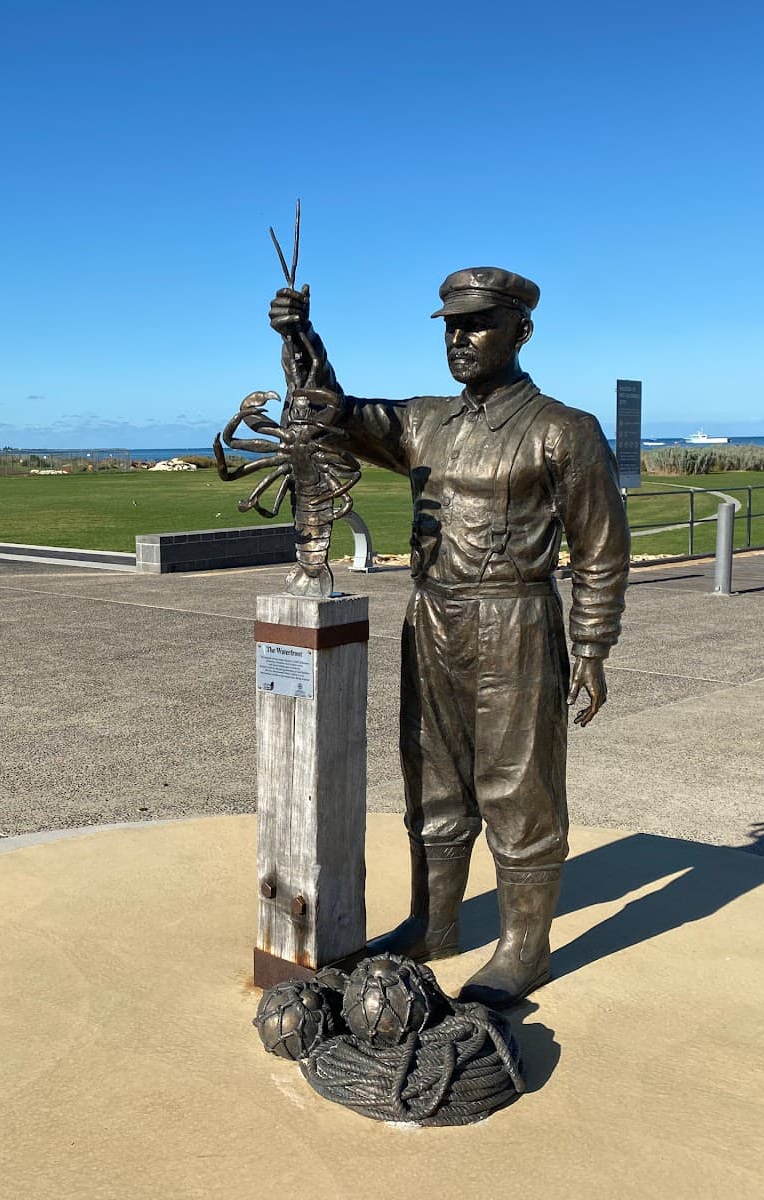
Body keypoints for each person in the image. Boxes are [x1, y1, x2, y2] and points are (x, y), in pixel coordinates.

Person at [269, 267, 629, 1007]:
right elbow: (327, 414)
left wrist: (591, 646)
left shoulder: (565, 430)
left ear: (520, 330)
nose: (459, 339)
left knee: (518, 786)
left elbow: (600, 547)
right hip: (432, 616)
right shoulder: (425, 421)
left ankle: (525, 947)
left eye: (476, 324)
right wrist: (299, 336)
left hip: (517, 621)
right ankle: (434, 924)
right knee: (431, 779)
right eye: (450, 326)